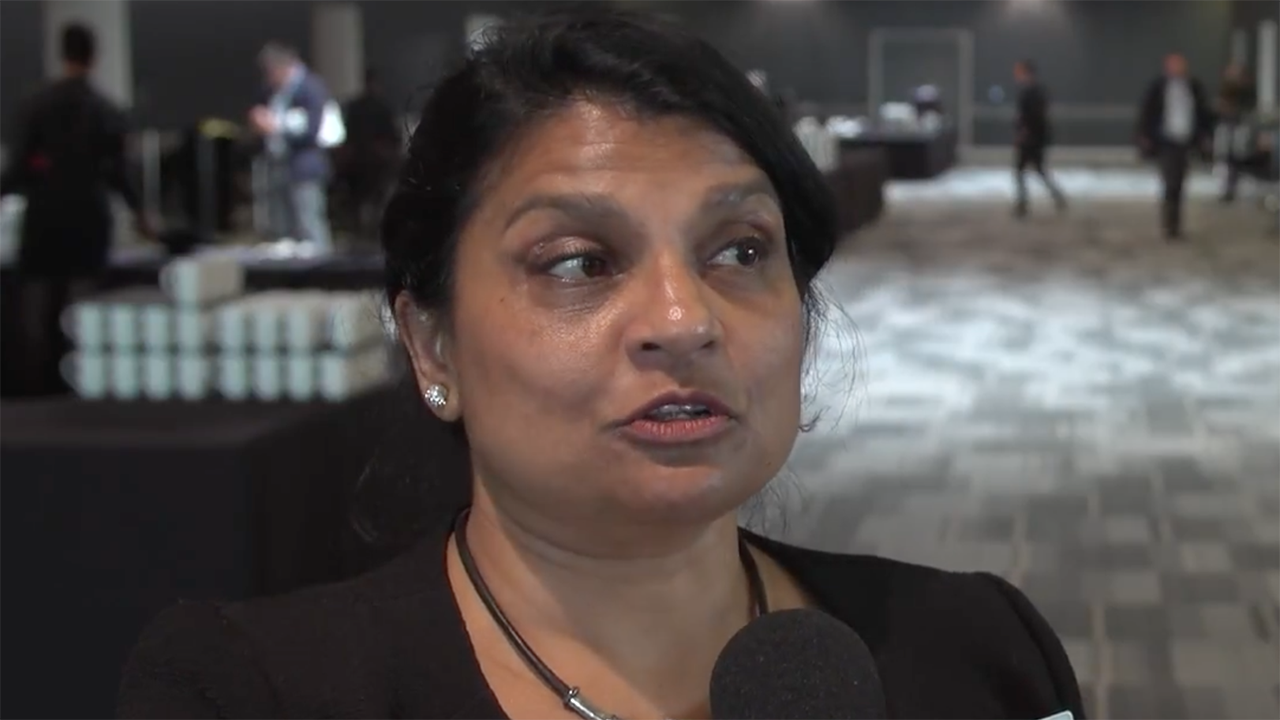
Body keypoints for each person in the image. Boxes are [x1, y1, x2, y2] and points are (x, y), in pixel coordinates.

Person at [117, 10, 1086, 720]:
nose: (683, 320)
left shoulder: (980, 654)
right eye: (578, 263)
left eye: (739, 250)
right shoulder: (253, 693)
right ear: (431, 343)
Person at [0, 22, 152, 395]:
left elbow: (17, 169)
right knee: (85, 301)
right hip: (89, 214)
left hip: (45, 214)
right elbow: (119, 171)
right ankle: (84, 381)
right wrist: (140, 213)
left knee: (41, 305)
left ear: (61, 54)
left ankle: (42, 385)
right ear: (93, 57)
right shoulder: (105, 110)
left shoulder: (34, 105)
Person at [249, 42, 333, 253]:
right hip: (277, 162)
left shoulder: (310, 87)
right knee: (283, 225)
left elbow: (312, 129)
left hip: (303, 165)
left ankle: (320, 263)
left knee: (308, 220)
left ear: (283, 68)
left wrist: (275, 126)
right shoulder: (272, 91)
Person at [1137, 52, 1213, 241]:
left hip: (1186, 140)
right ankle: (1170, 225)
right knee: (1170, 182)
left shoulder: (1194, 87)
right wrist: (1145, 136)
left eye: (1181, 64)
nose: (1178, 68)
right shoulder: (1158, 87)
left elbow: (1203, 113)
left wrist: (1204, 137)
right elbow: (1147, 112)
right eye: (1174, 64)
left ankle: (1175, 224)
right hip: (1166, 141)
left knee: (1179, 182)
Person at [337, 68, 401, 242]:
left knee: (359, 201)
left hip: (358, 161)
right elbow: (393, 137)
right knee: (376, 199)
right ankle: (372, 231)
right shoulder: (382, 107)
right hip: (375, 161)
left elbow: (348, 135)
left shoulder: (356, 107)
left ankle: (361, 230)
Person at [1013, 59, 1067, 218]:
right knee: (1031, 170)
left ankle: (1024, 203)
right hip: (1033, 137)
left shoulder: (1034, 93)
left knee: (1026, 170)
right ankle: (1053, 197)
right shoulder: (1032, 92)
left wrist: (1025, 132)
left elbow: (1034, 117)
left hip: (1033, 138)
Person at [1215, 62, 1257, 203]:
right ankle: (1226, 189)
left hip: (1239, 127)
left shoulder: (1246, 91)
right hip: (1227, 127)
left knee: (1236, 159)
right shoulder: (1226, 88)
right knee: (1225, 160)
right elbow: (1221, 106)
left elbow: (1248, 108)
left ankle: (1232, 188)